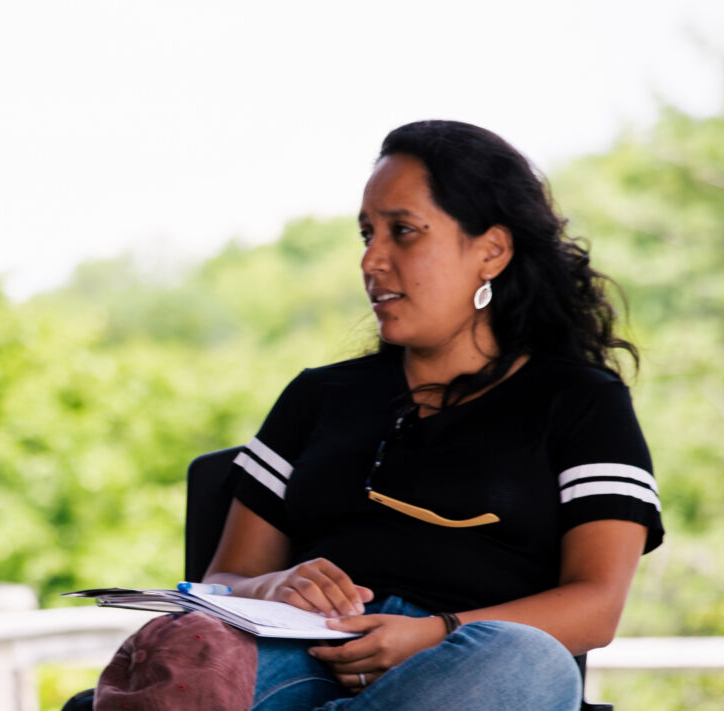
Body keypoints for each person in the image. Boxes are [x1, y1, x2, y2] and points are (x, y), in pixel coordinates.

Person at [193, 120, 664, 709]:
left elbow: (596, 606)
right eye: (366, 234)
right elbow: (222, 582)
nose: (371, 259)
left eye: (404, 232)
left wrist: (433, 635)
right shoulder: (318, 397)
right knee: (183, 653)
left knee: (528, 662)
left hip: (468, 670)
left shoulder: (582, 403)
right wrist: (274, 585)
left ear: (490, 250)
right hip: (302, 663)